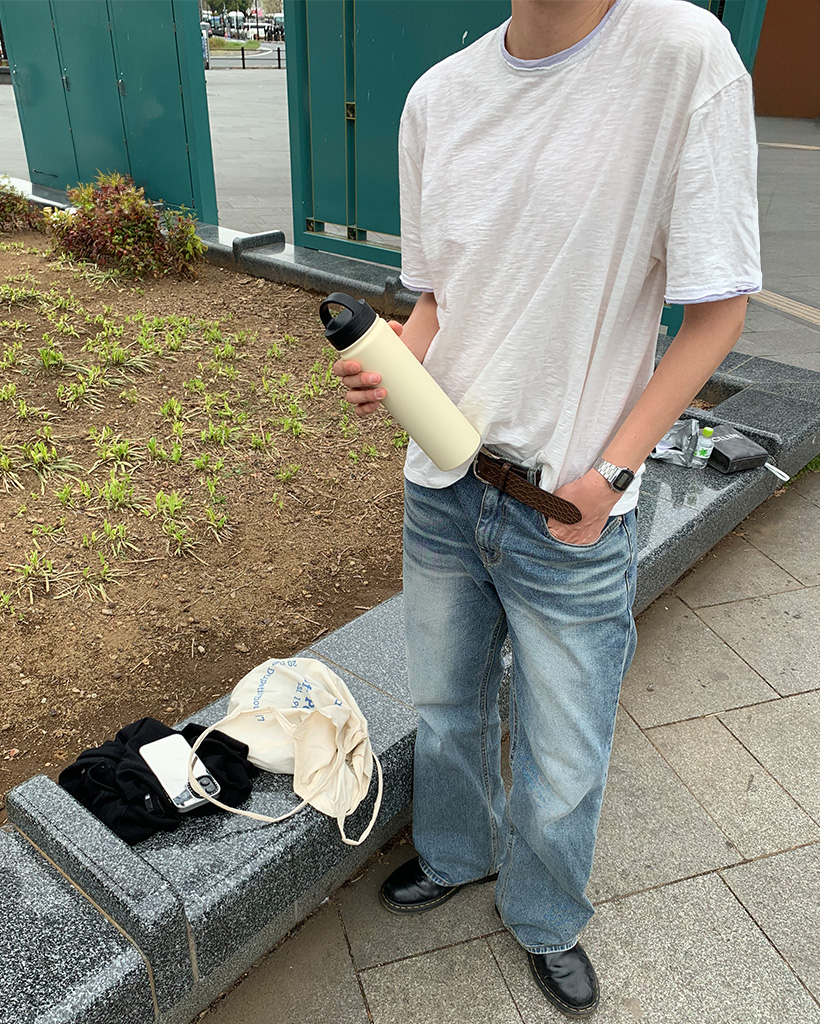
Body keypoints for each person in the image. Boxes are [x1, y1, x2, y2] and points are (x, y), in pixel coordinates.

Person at [333, 0, 761, 1016]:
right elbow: (439, 297)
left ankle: (544, 914)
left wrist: (608, 475)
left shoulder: (680, 54)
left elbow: (717, 312)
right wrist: (398, 363)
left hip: (572, 503)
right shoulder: (438, 98)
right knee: (445, 708)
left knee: (564, 749)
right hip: (443, 482)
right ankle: (455, 853)